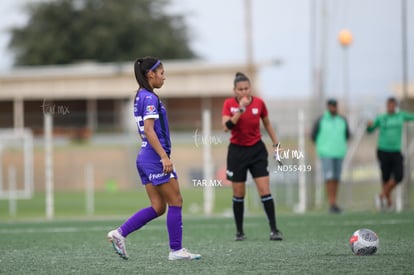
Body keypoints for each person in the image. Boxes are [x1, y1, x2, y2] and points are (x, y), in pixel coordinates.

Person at [107, 57, 201, 261]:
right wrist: (164, 157)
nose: (164, 76)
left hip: (144, 157)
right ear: (151, 74)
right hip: (153, 157)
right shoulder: (149, 98)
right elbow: (149, 130)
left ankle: (119, 233)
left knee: (159, 207)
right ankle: (176, 250)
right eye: (161, 72)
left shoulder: (140, 95)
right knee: (176, 200)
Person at [222, 72, 283, 241]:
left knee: (264, 190)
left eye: (246, 88)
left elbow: (267, 124)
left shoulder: (259, 103)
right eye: (240, 89)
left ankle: (274, 230)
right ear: (234, 91)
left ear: (250, 88)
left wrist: (276, 144)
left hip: (256, 151)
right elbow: (226, 127)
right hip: (236, 152)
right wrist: (240, 109)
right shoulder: (229, 104)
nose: (244, 92)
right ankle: (239, 232)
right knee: (239, 193)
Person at [367, 97, 414, 211]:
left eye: (392, 104)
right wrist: (369, 126)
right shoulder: (381, 118)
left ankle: (381, 195)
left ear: (395, 106)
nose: (390, 106)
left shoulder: (400, 116)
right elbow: (370, 130)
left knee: (399, 176)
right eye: (389, 104)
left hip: (396, 151)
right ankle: (388, 203)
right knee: (385, 177)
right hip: (383, 150)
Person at [311, 99, 350, 213]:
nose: (333, 108)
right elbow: (313, 136)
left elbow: (347, 135)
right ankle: (331, 203)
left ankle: (334, 203)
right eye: (331, 106)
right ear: (328, 107)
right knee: (329, 178)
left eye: (335, 106)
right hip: (326, 153)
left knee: (336, 178)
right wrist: (323, 146)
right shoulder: (321, 120)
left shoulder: (342, 120)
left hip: (339, 153)